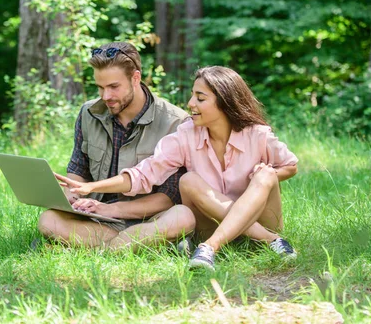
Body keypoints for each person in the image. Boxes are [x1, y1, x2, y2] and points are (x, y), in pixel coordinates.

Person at [57, 66, 298, 270]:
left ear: (225, 103)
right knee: (189, 180)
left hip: (260, 220)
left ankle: (212, 248)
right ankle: (270, 241)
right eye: (193, 95)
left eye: (200, 98)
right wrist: (91, 187)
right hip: (210, 226)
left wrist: (266, 175)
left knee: (267, 173)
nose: (191, 103)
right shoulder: (186, 135)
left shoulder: (256, 134)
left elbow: (290, 165)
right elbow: (144, 174)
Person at [37, 42, 195, 251]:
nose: (106, 96)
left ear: (135, 78)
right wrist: (71, 196)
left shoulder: (176, 122)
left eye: (113, 87)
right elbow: (78, 170)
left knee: (182, 217)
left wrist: (112, 210)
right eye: (100, 87)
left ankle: (91, 246)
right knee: (48, 220)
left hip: (147, 218)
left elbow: (168, 198)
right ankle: (138, 246)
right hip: (96, 217)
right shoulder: (89, 112)